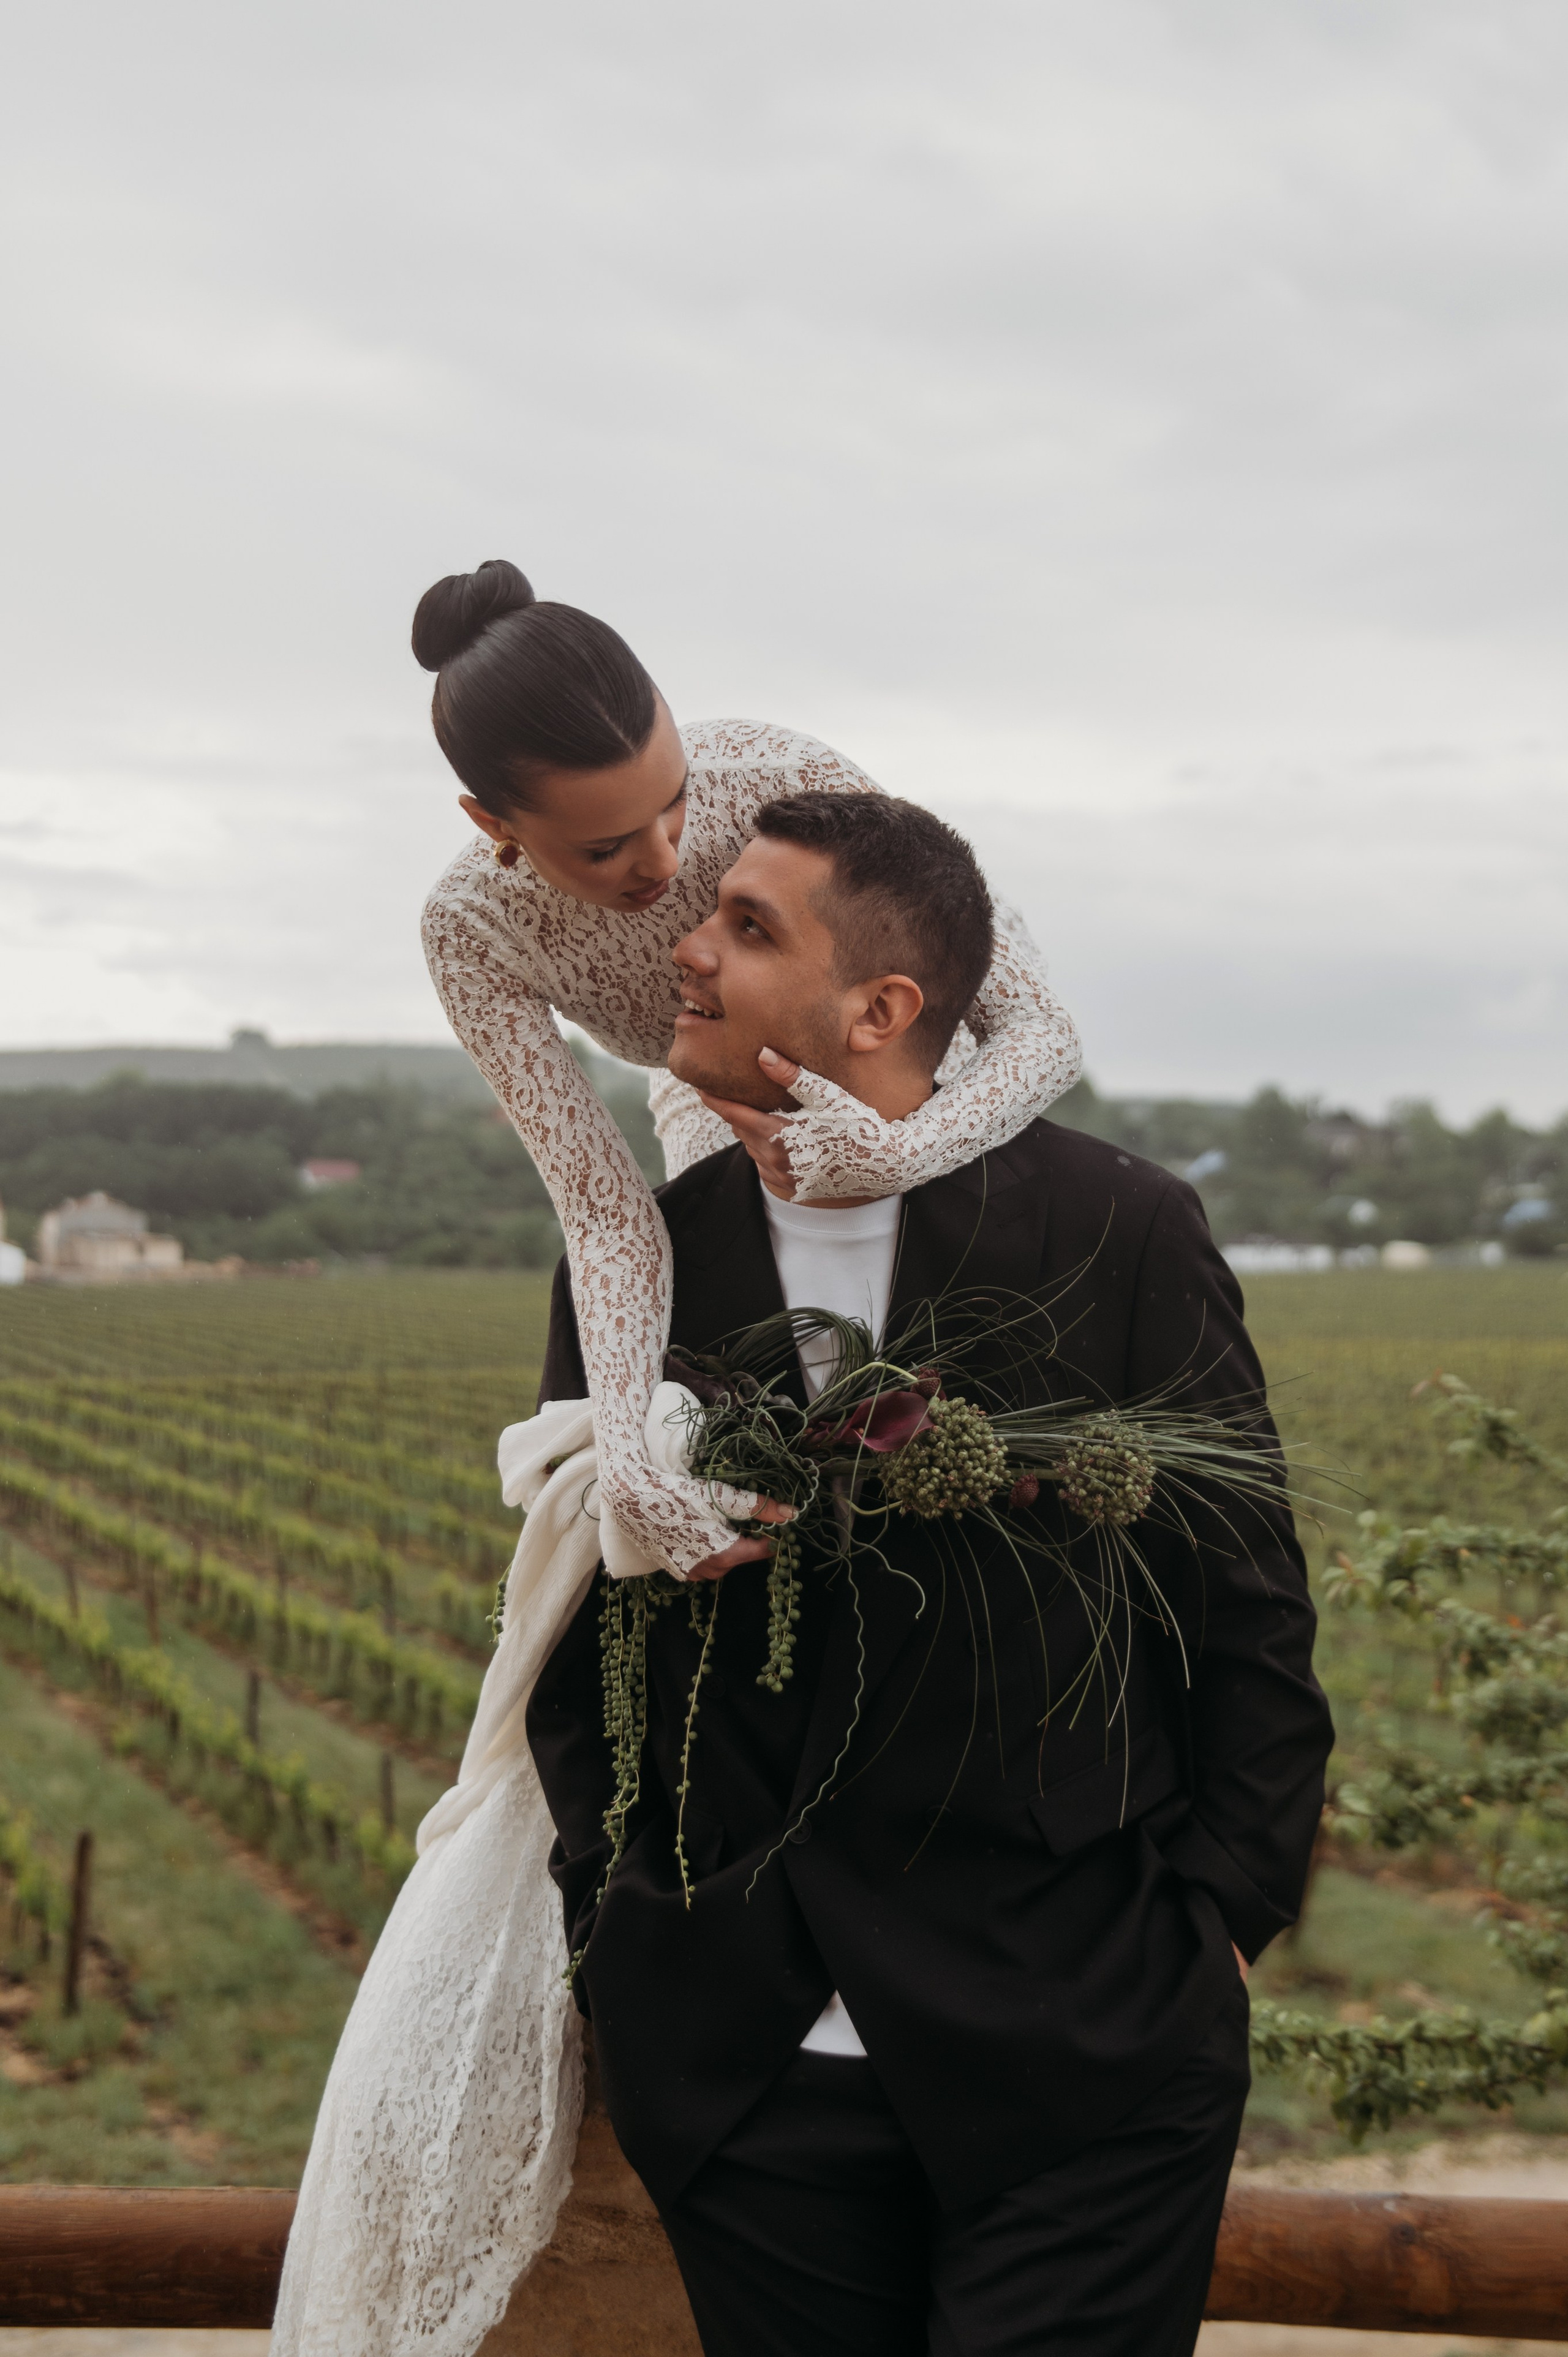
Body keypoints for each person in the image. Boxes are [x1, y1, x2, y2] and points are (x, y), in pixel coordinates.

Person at [526, 793, 1335, 2357]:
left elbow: (1245, 1609)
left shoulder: (1120, 1230)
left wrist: (1215, 1923)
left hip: (1087, 2051)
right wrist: (612, 1929)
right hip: (746, 2065)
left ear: (880, 1008)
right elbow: (580, 1626)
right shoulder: (637, 1260)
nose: (680, 950)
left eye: (748, 925)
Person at [417, 560, 1082, 1581]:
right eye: (605, 849)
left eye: (676, 802)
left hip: (909, 1091)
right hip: (707, 1110)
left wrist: (897, 1152)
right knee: (751, 1394)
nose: (665, 862)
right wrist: (633, 1465)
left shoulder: (776, 769)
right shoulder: (471, 933)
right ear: (493, 824)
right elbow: (604, 1216)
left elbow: (1039, 1030)